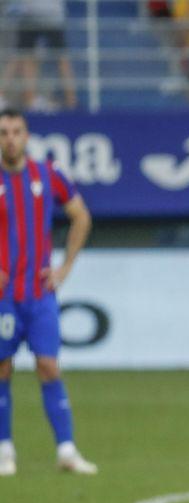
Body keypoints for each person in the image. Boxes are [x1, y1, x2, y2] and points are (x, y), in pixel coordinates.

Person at [0, 109, 95, 477]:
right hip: (5, 297)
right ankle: (5, 450)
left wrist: (65, 268)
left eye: (16, 131)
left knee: (49, 366)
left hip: (40, 295)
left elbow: (81, 216)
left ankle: (67, 450)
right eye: (4, 132)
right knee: (2, 369)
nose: (10, 138)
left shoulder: (48, 173)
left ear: (27, 136)